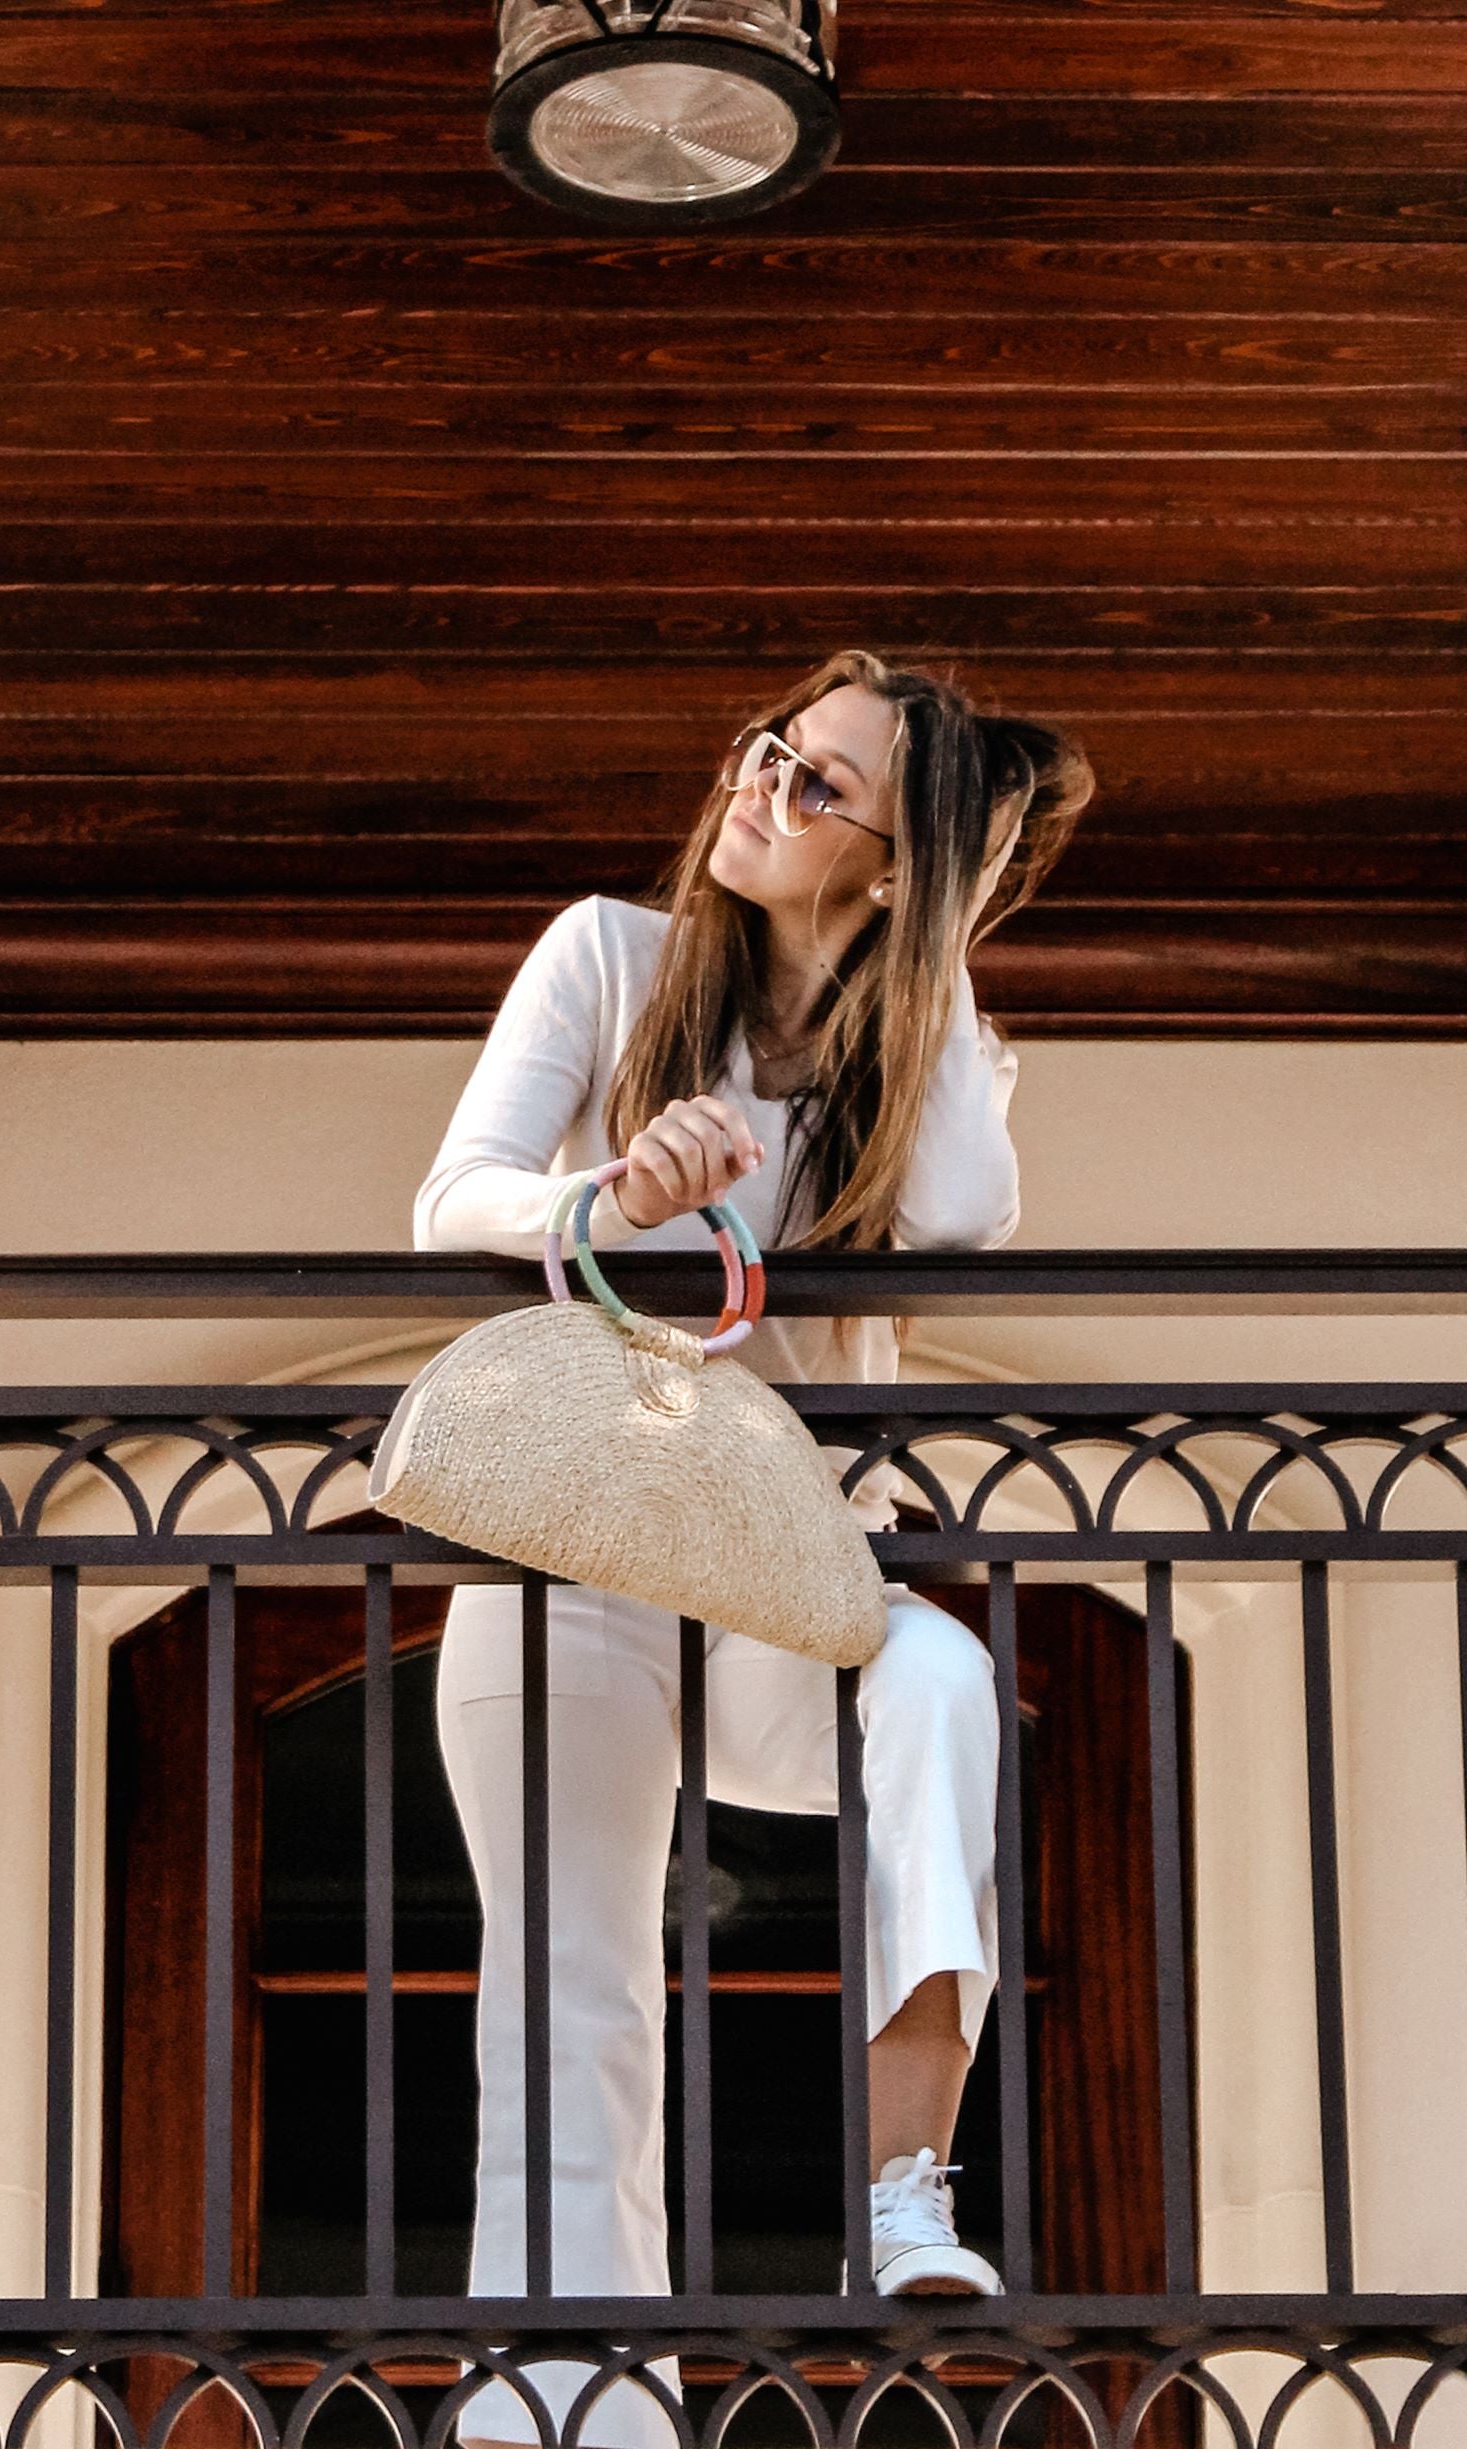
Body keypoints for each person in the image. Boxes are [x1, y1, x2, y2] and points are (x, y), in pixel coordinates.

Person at [412, 651, 1094, 2448]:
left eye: (823, 790)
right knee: (573, 1978)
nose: (763, 789)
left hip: (790, 1561)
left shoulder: (920, 1044)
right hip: (576, 1539)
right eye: (772, 751)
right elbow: (454, 1195)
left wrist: (929, 934)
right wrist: (608, 1195)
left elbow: (959, 1214)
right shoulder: (609, 956)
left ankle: (903, 2196)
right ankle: (572, 2405)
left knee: (943, 1680)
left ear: (895, 868)